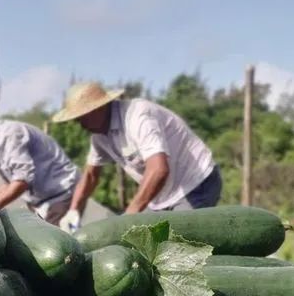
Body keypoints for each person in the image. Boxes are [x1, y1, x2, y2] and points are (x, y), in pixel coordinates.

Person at [52, 82, 221, 232]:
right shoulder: (99, 137)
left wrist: (131, 213)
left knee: (178, 248)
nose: (78, 123)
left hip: (195, 184)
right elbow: (90, 176)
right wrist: (73, 210)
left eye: (82, 117)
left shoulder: (138, 117)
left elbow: (158, 170)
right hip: (161, 195)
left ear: (98, 109)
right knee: (144, 244)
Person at [0, 106, 78, 225]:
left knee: (53, 243)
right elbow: (10, 183)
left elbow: (22, 180)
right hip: (43, 199)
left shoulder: (9, 135)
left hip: (60, 195)